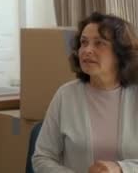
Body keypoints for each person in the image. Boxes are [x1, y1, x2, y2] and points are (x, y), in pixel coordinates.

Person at [33, 12, 138, 173]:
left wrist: (120, 168)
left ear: (120, 53)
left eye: (99, 43)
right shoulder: (65, 95)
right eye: (84, 42)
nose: (87, 50)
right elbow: (42, 158)